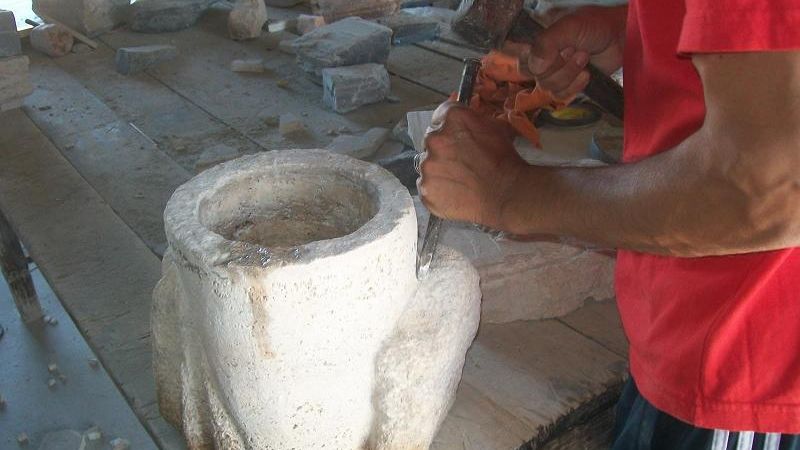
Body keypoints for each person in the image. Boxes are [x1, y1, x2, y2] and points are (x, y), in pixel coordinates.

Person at [419, 1, 800, 449]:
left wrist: (507, 192)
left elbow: (768, 189)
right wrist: (634, 31)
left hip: (750, 370)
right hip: (685, 334)